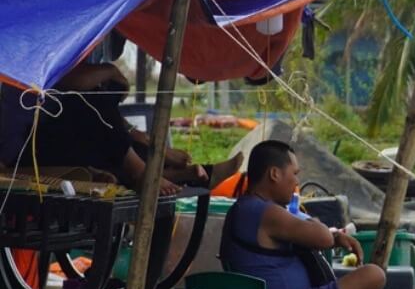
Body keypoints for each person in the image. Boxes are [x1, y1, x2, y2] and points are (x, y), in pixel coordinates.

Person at [221, 140, 386, 289]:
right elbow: (322, 237)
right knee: (374, 275)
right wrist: (315, 222)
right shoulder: (263, 212)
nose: (297, 182)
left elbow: (320, 237)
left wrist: (335, 236)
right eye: (294, 173)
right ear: (274, 174)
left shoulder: (249, 209)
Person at [0, 62, 242, 195]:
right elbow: (73, 83)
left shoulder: (36, 69)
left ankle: (178, 173)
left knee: (106, 125)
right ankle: (144, 171)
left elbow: (75, 87)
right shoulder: (21, 70)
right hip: (27, 152)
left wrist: (112, 74)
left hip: (57, 139)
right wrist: (111, 71)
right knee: (90, 106)